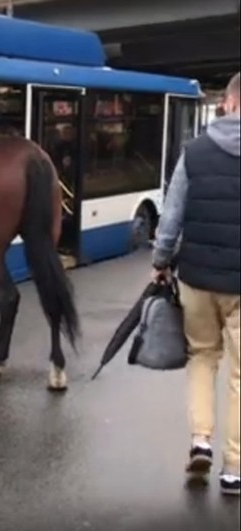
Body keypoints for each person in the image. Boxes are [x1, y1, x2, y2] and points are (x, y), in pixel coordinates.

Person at [151, 72, 240, 496]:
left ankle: (200, 440)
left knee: (203, 357)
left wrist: (160, 260)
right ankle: (234, 468)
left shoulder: (195, 151)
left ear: (227, 103)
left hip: (197, 277)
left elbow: (171, 214)